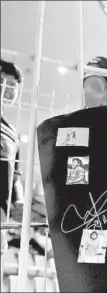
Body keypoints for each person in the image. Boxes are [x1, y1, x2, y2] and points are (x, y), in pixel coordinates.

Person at [1, 59, 24, 259]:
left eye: (12, 86)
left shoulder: (13, 133)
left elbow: (15, 177)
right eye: (1, 81)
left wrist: (19, 202)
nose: (6, 89)